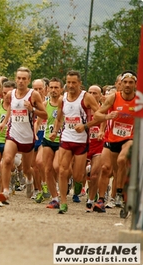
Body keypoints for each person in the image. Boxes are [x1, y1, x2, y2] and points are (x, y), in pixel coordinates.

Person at [49, 70, 100, 214]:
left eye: (74, 83)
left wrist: (85, 126)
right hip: (66, 138)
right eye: (68, 82)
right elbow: (59, 118)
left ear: (79, 83)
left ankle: (78, 184)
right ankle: (63, 202)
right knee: (62, 170)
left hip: (81, 141)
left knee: (78, 175)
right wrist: (54, 132)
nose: (70, 85)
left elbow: (100, 115)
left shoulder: (87, 97)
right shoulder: (62, 99)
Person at [0, 67, 47, 204]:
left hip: (27, 137)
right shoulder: (11, 94)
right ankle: (6, 191)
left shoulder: (34, 95)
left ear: (28, 80)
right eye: (18, 78)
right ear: (15, 78)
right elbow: (10, 108)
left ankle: (30, 180)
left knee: (26, 168)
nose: (20, 81)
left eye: (24, 79)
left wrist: (32, 109)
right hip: (12, 134)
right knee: (7, 160)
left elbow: (45, 115)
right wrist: (4, 122)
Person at [93, 70, 137, 212]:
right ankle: (101, 200)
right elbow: (98, 113)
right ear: (120, 84)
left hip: (130, 138)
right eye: (125, 82)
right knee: (106, 169)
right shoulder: (113, 97)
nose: (127, 85)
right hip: (112, 138)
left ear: (135, 84)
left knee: (122, 160)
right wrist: (107, 117)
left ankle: (119, 194)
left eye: (131, 82)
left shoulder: (139, 100)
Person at [35, 78, 63, 208]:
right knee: (47, 169)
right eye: (51, 88)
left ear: (61, 89)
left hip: (62, 140)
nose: (53, 90)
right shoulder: (45, 104)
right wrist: (34, 133)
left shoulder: (65, 103)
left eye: (56, 88)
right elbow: (38, 121)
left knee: (57, 167)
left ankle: (61, 187)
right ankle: (55, 198)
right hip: (47, 139)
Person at [84, 85, 105, 211]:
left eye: (95, 93)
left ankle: (91, 200)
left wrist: (101, 131)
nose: (92, 95)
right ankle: (90, 188)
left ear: (100, 96)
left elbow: (104, 121)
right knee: (80, 174)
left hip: (98, 145)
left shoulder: (102, 110)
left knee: (94, 175)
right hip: (84, 145)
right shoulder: (82, 109)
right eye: (90, 92)